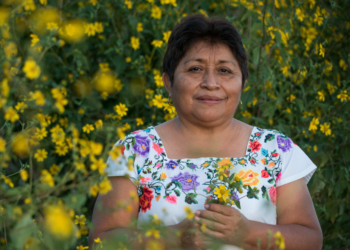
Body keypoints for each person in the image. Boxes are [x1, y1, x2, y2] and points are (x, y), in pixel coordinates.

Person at [89, 14, 323, 249]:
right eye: (195, 68)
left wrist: (247, 233)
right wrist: (175, 237)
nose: (211, 82)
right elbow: (101, 241)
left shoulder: (276, 150)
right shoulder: (134, 151)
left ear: (242, 84)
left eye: (224, 71)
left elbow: (310, 240)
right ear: (168, 82)